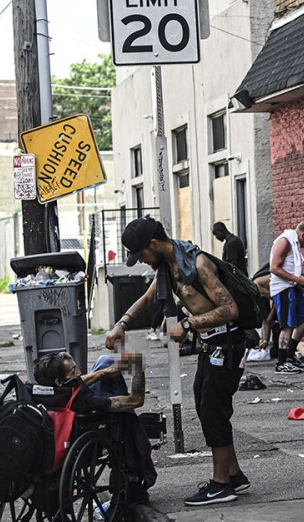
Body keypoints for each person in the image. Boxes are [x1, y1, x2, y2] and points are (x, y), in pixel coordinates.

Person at [104, 216, 249, 507]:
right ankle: (234, 476)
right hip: (212, 345)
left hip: (228, 343)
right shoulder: (169, 268)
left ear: (154, 244)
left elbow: (230, 309)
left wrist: (189, 324)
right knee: (205, 404)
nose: (142, 261)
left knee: (212, 411)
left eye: (142, 254)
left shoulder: (196, 265)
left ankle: (221, 484)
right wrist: (121, 323)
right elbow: (146, 299)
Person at [32, 350, 156, 506]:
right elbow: (136, 400)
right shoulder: (86, 400)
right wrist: (138, 368)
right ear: (59, 382)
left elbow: (75, 382)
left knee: (105, 361)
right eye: (73, 371)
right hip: (84, 427)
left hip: (50, 432)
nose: (79, 373)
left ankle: (134, 471)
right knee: (126, 415)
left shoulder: (36, 392)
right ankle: (136, 473)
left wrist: (107, 371)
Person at [269, 221, 304, 374]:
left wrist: (300, 286)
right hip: (283, 288)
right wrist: (298, 280)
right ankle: (281, 362)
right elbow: (274, 268)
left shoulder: (294, 243)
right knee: (287, 325)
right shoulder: (285, 241)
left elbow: (290, 267)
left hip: (293, 287)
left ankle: (290, 355)